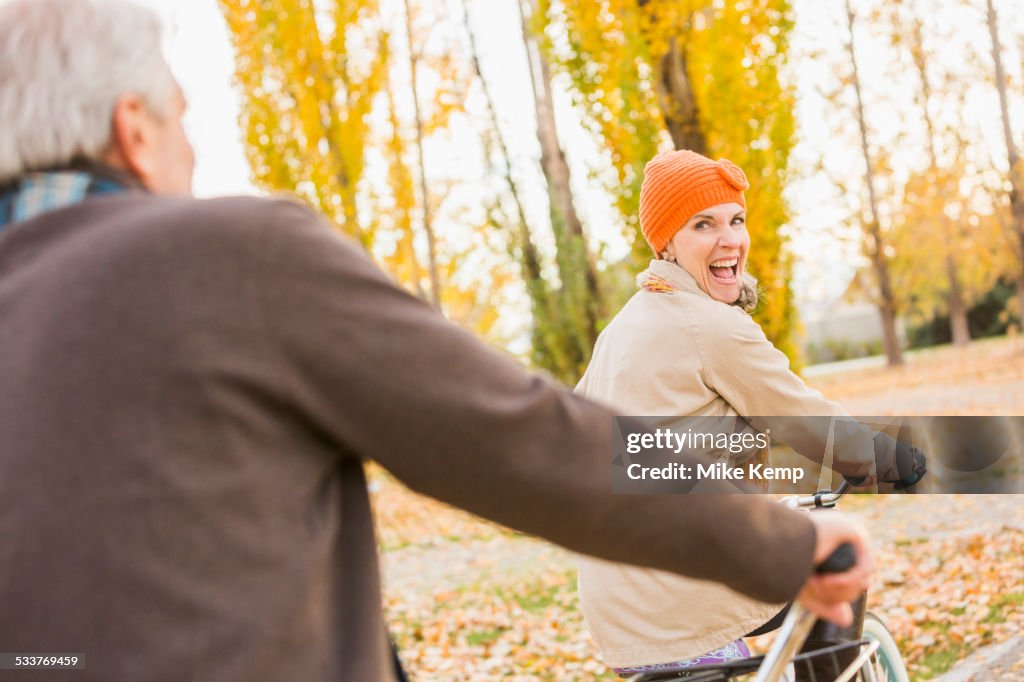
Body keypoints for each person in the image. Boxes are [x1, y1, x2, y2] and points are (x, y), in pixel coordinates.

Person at [0, 2, 871, 680]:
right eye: (184, 118)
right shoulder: (231, 257)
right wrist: (791, 546)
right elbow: (513, 436)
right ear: (135, 130)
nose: (192, 151)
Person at [575, 149, 923, 678]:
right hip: (687, 590)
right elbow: (803, 419)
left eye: (736, 220)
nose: (730, 239)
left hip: (619, 603)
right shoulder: (710, 324)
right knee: (838, 560)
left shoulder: (620, 329)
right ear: (666, 242)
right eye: (703, 224)